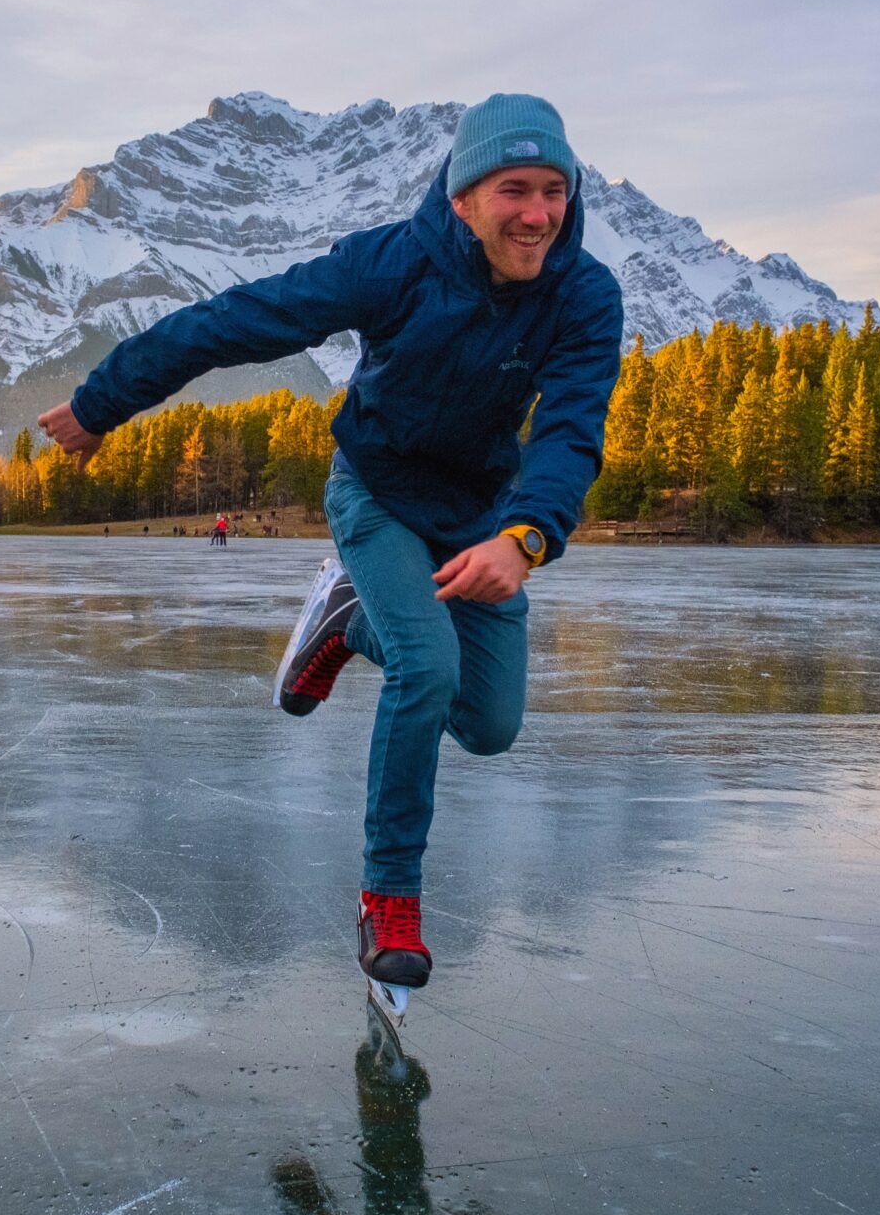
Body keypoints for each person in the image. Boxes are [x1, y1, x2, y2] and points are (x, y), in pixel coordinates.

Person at [39, 94, 622, 992]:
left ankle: (345, 621)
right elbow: (232, 320)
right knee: (427, 667)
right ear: (464, 196)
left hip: (481, 515)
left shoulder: (582, 294)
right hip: (377, 494)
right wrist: (101, 401)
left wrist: (526, 535)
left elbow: (573, 428)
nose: (539, 214)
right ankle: (388, 898)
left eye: (555, 190)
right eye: (516, 189)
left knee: (491, 724)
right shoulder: (389, 265)